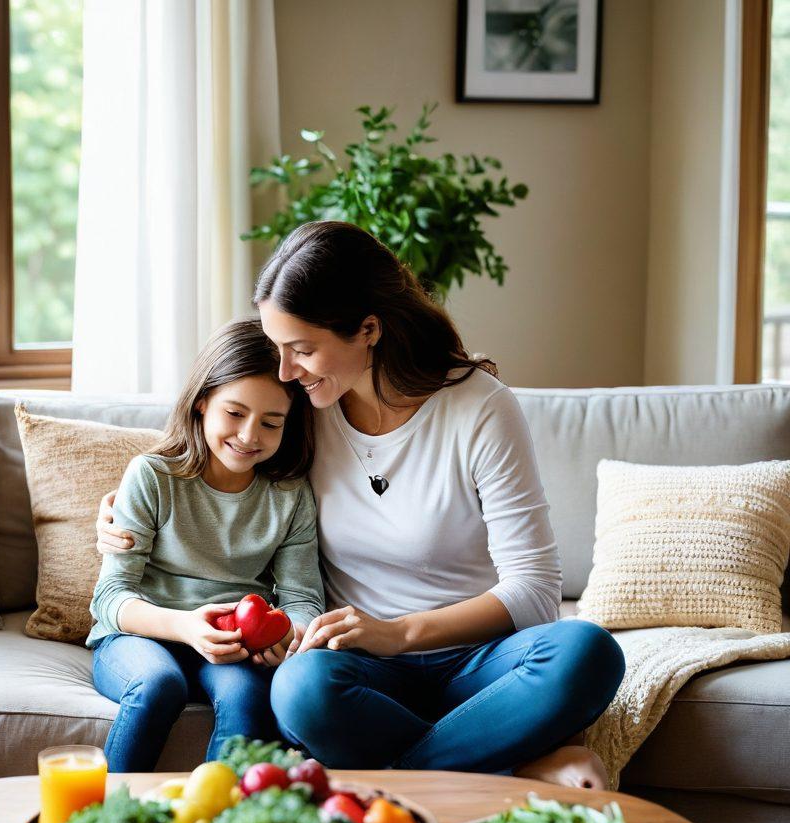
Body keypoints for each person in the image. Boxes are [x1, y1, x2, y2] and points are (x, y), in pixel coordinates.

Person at [98, 222, 624, 789]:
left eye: (302, 350)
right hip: (357, 670)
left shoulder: (480, 410)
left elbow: (536, 592)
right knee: (299, 690)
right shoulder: (301, 409)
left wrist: (396, 633)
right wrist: (113, 510)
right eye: (279, 349)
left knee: (587, 651)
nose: (285, 370)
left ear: (368, 329)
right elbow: (205, 447)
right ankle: (511, 764)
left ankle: (412, 771)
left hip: (475, 659)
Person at [87, 317, 324, 772]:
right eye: (235, 414)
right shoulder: (153, 476)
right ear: (201, 403)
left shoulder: (289, 494)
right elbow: (111, 597)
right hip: (140, 636)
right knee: (159, 684)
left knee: (248, 695)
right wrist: (187, 627)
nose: (250, 435)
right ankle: (108, 817)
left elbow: (302, 598)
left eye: (271, 423)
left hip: (233, 646)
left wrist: (287, 636)